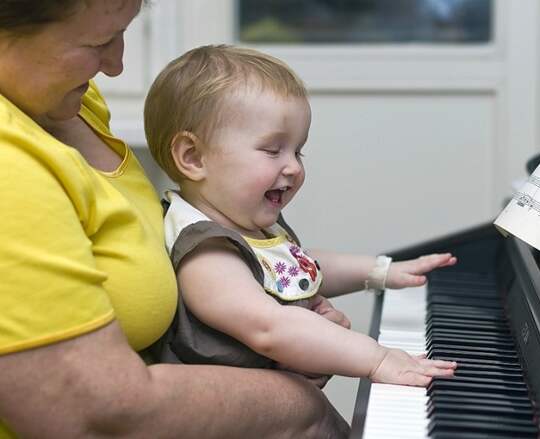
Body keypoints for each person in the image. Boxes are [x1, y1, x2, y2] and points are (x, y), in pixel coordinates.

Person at [0, 2, 352, 437]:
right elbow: (94, 413)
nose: (116, 65)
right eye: (98, 42)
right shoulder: (7, 166)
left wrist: (291, 343)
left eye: (123, 32)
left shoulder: (67, 99)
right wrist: (300, 404)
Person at [143, 45, 458, 387]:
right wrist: (376, 358)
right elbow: (269, 327)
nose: (293, 167)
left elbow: (301, 267)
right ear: (193, 157)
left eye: (298, 150)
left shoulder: (246, 222)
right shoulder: (206, 251)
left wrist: (382, 271)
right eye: (272, 150)